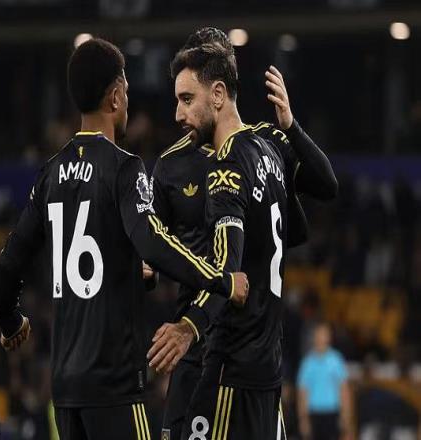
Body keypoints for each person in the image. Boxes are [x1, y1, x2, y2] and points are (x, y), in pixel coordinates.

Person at [0, 38, 249, 440]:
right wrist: (221, 280)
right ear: (115, 97)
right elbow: (151, 241)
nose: (128, 102)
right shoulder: (124, 169)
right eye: (126, 92)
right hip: (114, 387)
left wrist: (10, 321)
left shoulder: (50, 174)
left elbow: (10, 261)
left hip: (65, 391)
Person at [147, 27, 338, 440]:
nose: (178, 114)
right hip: (240, 357)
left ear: (219, 90)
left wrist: (188, 326)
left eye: (187, 99)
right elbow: (297, 226)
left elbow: (228, 266)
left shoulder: (242, 156)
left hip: (224, 355)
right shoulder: (177, 164)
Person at [297, 322, 352, 440]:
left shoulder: (336, 360)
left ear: (329, 338)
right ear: (314, 338)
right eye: (319, 336)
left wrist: (346, 416)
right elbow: (302, 393)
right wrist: (303, 419)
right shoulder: (307, 363)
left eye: (325, 336)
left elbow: (344, 389)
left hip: (333, 413)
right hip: (313, 414)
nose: (322, 340)